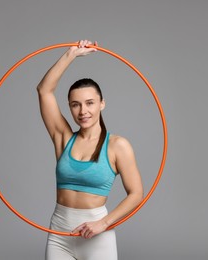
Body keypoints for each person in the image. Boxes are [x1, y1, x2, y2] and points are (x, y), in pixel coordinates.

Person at [37, 40, 144, 260]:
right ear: (69, 107)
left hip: (97, 235)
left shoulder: (117, 146)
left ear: (101, 104)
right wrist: (71, 54)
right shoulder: (63, 138)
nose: (83, 111)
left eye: (89, 103)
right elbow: (44, 90)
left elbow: (136, 194)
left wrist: (102, 224)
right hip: (59, 234)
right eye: (75, 104)